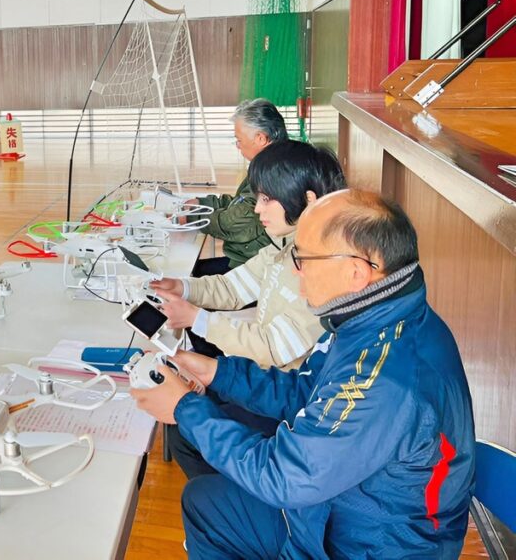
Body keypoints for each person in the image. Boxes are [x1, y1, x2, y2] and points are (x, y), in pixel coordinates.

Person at [132, 190, 475, 559]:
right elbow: (308, 393)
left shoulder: (388, 376)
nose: (296, 270)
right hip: (350, 506)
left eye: (303, 257)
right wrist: (219, 373)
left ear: (356, 272)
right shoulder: (373, 317)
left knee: (210, 493)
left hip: (374, 544)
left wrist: (185, 408)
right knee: (205, 500)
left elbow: (287, 478)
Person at [151, 139, 345, 477]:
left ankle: (235, 502)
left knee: (187, 427)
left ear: (307, 200)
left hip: (286, 400)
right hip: (265, 380)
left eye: (267, 199)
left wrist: (197, 319)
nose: (258, 209)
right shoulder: (285, 246)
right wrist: (183, 287)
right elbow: (232, 286)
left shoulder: (319, 266)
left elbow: (272, 347)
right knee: (185, 407)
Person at [186, 98, 288, 277]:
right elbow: (240, 202)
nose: (237, 146)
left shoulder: (275, 172)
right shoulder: (269, 163)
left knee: (184, 280)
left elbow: (237, 221)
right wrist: (202, 203)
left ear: (260, 138)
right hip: (247, 260)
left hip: (254, 267)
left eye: (239, 140)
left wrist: (193, 216)